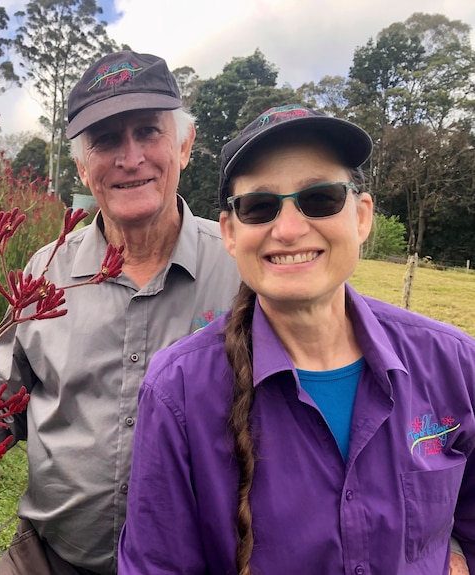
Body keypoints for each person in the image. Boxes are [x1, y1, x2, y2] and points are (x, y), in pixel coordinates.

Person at [0, 50, 241, 575]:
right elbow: (4, 402)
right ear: (83, 165)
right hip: (53, 556)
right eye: (106, 140)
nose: (129, 157)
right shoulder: (46, 272)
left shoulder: (241, 269)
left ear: (184, 143)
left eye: (149, 132)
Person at [118, 104, 475, 574]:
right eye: (259, 207)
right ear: (229, 231)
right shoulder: (178, 392)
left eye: (321, 198)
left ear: (362, 216)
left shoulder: (453, 365)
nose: (288, 230)